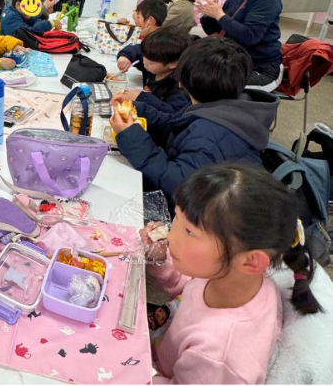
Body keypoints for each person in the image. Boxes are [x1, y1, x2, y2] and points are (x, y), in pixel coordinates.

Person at [140, 163, 322, 384]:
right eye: (176, 217)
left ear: (251, 261)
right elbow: (188, 286)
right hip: (155, 340)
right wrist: (160, 260)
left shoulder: (219, 358)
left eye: (190, 231)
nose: (171, 236)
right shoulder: (232, 275)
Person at [110, 38, 279, 206]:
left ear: (181, 82)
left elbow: (177, 185)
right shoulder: (219, 103)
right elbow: (175, 125)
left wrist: (131, 137)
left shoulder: (208, 134)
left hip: (196, 210)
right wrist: (140, 109)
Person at [196, 0, 284, 89]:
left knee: (205, 84)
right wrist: (206, 12)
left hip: (259, 68)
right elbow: (215, 31)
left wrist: (220, 15)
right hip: (233, 62)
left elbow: (250, 36)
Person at [121, 26, 192, 121]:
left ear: (173, 64)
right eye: (144, 57)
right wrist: (125, 57)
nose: (144, 63)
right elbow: (137, 49)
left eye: (151, 62)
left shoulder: (180, 86)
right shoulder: (155, 62)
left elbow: (173, 113)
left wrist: (141, 97)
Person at [116, 0, 168, 73]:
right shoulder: (156, 35)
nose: (136, 21)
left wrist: (126, 55)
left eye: (138, 17)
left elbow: (140, 50)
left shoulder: (158, 42)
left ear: (150, 20)